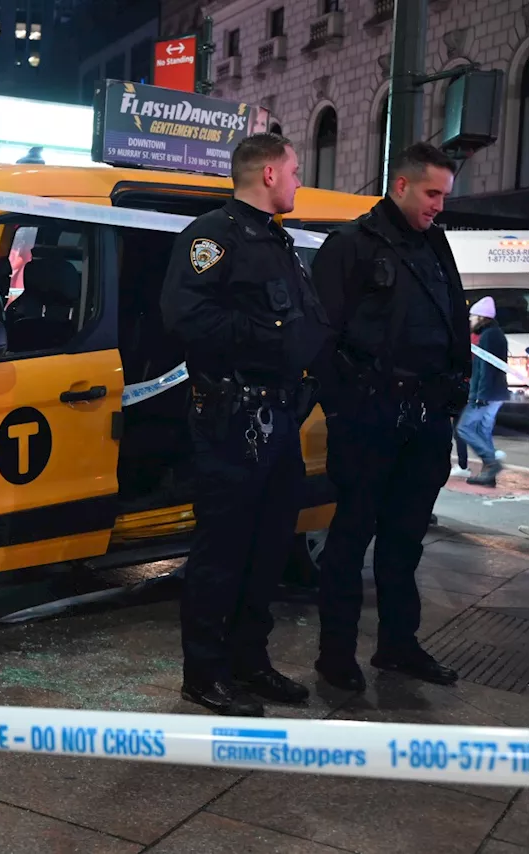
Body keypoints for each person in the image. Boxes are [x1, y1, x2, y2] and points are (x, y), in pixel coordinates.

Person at [160, 133, 329, 716]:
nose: (299, 180)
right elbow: (187, 317)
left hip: (277, 417)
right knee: (223, 550)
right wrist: (273, 342)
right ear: (267, 175)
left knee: (268, 547)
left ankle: (248, 662)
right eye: (295, 171)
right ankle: (203, 674)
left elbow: (306, 322)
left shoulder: (278, 241)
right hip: (232, 419)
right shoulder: (214, 236)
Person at [310, 143, 470, 692]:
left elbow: (454, 317)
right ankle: (336, 655)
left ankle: (398, 646)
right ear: (400, 186)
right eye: (432, 193)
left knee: (405, 539)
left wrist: (453, 400)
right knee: (351, 537)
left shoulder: (434, 243)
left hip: (424, 417)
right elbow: (321, 337)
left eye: (444, 196)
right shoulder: (350, 245)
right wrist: (344, 408)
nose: (438, 206)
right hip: (369, 415)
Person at [458, 296, 508, 486]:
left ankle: (491, 462)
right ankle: (489, 475)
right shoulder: (496, 334)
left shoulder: (488, 336)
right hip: (495, 393)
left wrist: (480, 395)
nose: (470, 320)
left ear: (481, 317)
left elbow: (485, 369)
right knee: (483, 431)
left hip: (486, 394)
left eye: (472, 317)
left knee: (464, 428)